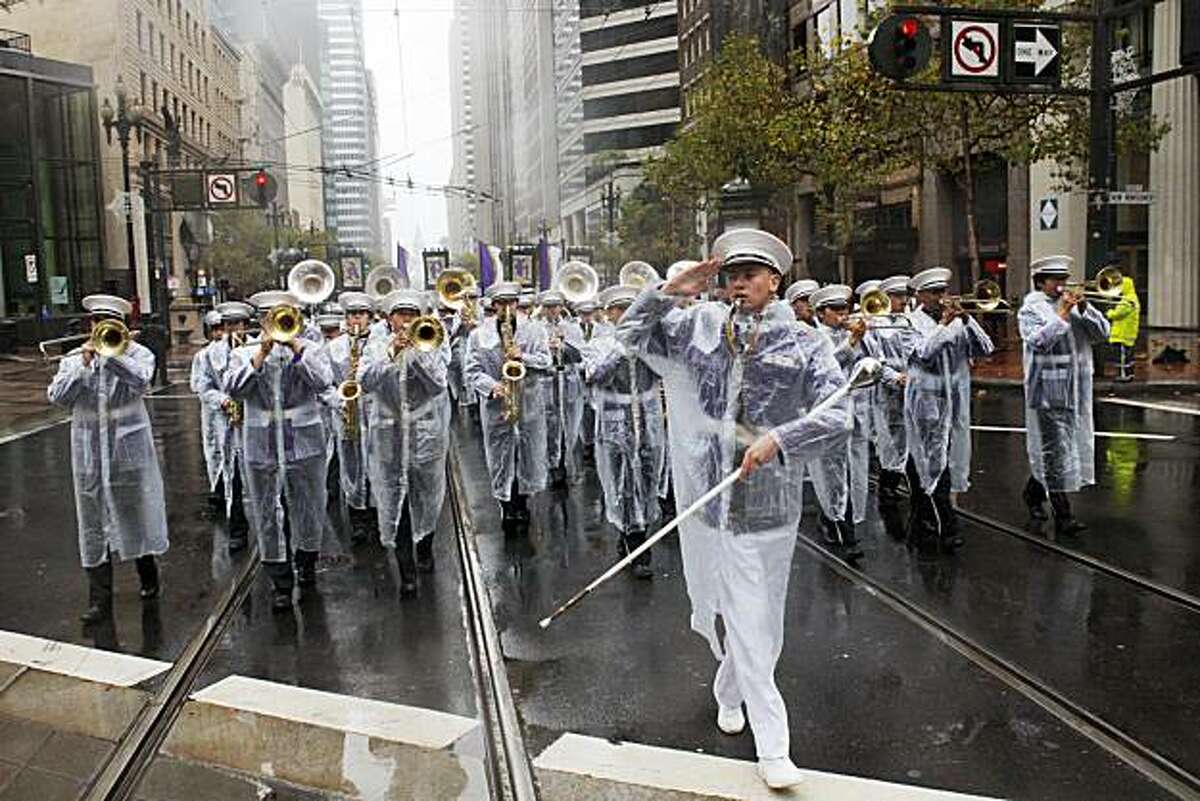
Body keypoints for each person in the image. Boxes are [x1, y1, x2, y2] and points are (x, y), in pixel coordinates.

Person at [617, 230, 849, 790]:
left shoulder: (807, 344)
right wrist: (672, 290)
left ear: (776, 281)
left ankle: (728, 689)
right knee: (745, 612)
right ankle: (774, 747)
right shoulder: (698, 327)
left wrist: (782, 438)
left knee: (762, 621)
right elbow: (629, 335)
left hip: (772, 504)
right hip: (711, 500)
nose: (738, 283)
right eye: (731, 275)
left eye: (750, 274)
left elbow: (839, 416)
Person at [48, 294, 168, 623]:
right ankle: (100, 598)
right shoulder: (75, 358)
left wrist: (112, 355)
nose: (102, 329)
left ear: (125, 327)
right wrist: (84, 365)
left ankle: (147, 574)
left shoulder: (138, 354)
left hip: (128, 447)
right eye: (98, 323)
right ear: (91, 325)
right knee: (92, 521)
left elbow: (142, 380)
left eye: (110, 324)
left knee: (134, 512)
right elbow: (58, 397)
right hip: (88, 449)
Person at [225, 291, 334, 610]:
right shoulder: (243, 352)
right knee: (266, 506)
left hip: (304, 438)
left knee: (310, 502)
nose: (278, 326)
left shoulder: (310, 348)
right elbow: (234, 388)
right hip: (262, 439)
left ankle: (307, 559)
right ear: (261, 321)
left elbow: (322, 381)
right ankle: (280, 578)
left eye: (283, 318)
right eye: (271, 318)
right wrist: (261, 352)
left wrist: (296, 347)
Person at [360, 289, 451, 594]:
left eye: (412, 316)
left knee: (425, 495)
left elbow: (438, 385)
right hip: (388, 433)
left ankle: (424, 546)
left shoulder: (431, 341)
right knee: (393, 499)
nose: (407, 322)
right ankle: (406, 571)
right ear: (389, 318)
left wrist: (416, 357)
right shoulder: (375, 344)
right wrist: (392, 354)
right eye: (401, 315)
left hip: (425, 433)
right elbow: (365, 381)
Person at [1018, 255, 1111, 535]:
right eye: (1055, 280)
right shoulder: (1030, 308)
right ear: (1041, 282)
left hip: (1077, 388)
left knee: (1067, 445)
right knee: (1054, 448)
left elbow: (1102, 334)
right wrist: (1063, 314)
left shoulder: (1074, 304)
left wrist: (1085, 308)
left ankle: (1033, 492)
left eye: (1064, 279)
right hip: (1046, 389)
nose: (1061, 285)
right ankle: (1063, 513)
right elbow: (1039, 342)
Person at [905, 267, 994, 552]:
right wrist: (944, 325)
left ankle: (923, 517)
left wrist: (967, 319)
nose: (941, 297)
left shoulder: (958, 321)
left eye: (943, 291)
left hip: (956, 401)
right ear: (920, 295)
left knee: (946, 460)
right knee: (933, 462)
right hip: (927, 402)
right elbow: (924, 353)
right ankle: (947, 525)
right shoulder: (909, 322)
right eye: (934, 292)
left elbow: (985, 348)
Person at [582, 284, 666, 578]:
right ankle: (636, 542)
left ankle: (635, 533)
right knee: (622, 480)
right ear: (609, 313)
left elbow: (666, 371)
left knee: (647, 475)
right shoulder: (600, 342)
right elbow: (594, 375)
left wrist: (647, 350)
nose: (624, 316)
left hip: (648, 417)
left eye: (629, 310)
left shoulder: (649, 340)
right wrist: (620, 350)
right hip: (615, 418)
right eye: (619, 310)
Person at [463, 281, 553, 528]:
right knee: (501, 456)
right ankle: (506, 505)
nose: (507, 308)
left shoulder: (535, 330)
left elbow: (546, 361)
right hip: (496, 406)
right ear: (494, 306)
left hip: (528, 402)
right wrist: (492, 387)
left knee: (527, 453)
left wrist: (523, 356)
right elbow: (471, 371)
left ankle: (522, 504)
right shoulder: (478, 335)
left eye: (511, 303)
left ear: (517, 304)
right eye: (501, 303)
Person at [808, 284, 867, 562]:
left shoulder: (847, 334)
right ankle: (847, 537)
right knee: (831, 472)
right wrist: (851, 342)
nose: (843, 315)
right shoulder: (813, 336)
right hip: (823, 412)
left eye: (845, 308)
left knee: (839, 472)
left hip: (848, 411)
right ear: (821, 313)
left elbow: (867, 363)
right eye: (837, 310)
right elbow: (826, 365)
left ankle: (832, 521)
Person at [194, 301, 256, 551]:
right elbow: (202, 386)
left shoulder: (255, 347)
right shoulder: (209, 354)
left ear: (245, 325)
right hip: (227, 420)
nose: (233, 330)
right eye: (228, 325)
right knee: (234, 476)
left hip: (254, 420)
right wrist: (223, 401)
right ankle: (238, 528)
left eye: (237, 325)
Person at [326, 291, 377, 542]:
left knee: (377, 463)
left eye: (361, 315)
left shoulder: (381, 343)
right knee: (351, 464)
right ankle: (357, 516)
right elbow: (324, 384)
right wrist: (340, 402)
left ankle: (377, 513)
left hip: (374, 410)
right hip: (346, 411)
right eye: (351, 315)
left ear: (370, 317)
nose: (355, 320)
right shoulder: (333, 347)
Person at [871, 275, 917, 507]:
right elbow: (875, 359)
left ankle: (900, 478)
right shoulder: (875, 322)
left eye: (904, 296)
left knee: (907, 433)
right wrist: (894, 378)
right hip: (888, 386)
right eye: (898, 296)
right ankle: (887, 482)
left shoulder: (907, 321)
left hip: (910, 384)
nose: (903, 300)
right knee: (890, 435)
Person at [541, 289, 586, 487]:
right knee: (551, 423)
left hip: (569, 379)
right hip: (548, 380)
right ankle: (554, 464)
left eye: (555, 307)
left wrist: (563, 346)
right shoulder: (538, 328)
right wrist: (547, 349)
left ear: (561, 308)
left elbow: (580, 355)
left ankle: (566, 458)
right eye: (548, 307)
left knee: (570, 423)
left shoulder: (572, 328)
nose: (552, 311)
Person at [192, 309, 226, 506]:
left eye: (221, 328)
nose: (219, 333)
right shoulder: (203, 355)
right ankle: (217, 487)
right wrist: (218, 400)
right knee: (214, 448)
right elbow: (198, 385)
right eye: (214, 329)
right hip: (213, 411)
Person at [1105, 274, 1140, 383]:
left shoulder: (1127, 300)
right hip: (1126, 333)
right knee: (1126, 356)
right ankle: (1127, 374)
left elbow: (1118, 314)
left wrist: (1109, 312)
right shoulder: (1132, 298)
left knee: (1122, 357)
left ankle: (1124, 375)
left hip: (1122, 334)